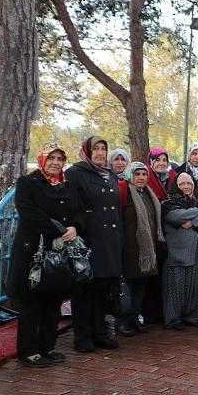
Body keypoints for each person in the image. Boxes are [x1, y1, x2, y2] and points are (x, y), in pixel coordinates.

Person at [7, 143, 80, 367]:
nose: (55, 163)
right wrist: (59, 229)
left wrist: (74, 226)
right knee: (31, 302)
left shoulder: (66, 185)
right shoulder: (28, 182)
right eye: (51, 158)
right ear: (42, 160)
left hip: (58, 251)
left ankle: (47, 346)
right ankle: (29, 351)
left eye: (60, 159)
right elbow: (28, 212)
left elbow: (77, 210)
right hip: (33, 249)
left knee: (53, 300)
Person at [66, 136, 123, 352]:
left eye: (103, 148)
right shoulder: (76, 172)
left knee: (103, 289)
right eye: (95, 148)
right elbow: (73, 206)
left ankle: (99, 333)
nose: (100, 153)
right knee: (84, 290)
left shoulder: (110, 175)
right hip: (89, 239)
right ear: (87, 151)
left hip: (110, 240)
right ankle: (82, 336)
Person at [117, 162, 165, 336]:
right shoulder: (124, 192)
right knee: (128, 287)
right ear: (130, 175)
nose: (141, 178)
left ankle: (135, 318)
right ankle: (123, 322)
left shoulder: (148, 194)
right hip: (130, 248)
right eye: (137, 174)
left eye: (144, 174)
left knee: (140, 286)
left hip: (147, 249)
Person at [161, 172, 198, 330]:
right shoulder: (168, 203)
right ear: (176, 186)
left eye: (189, 183)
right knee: (176, 287)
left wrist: (192, 222)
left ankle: (193, 317)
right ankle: (173, 319)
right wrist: (197, 210)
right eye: (182, 184)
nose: (186, 186)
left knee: (197, 286)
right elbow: (177, 217)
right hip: (178, 252)